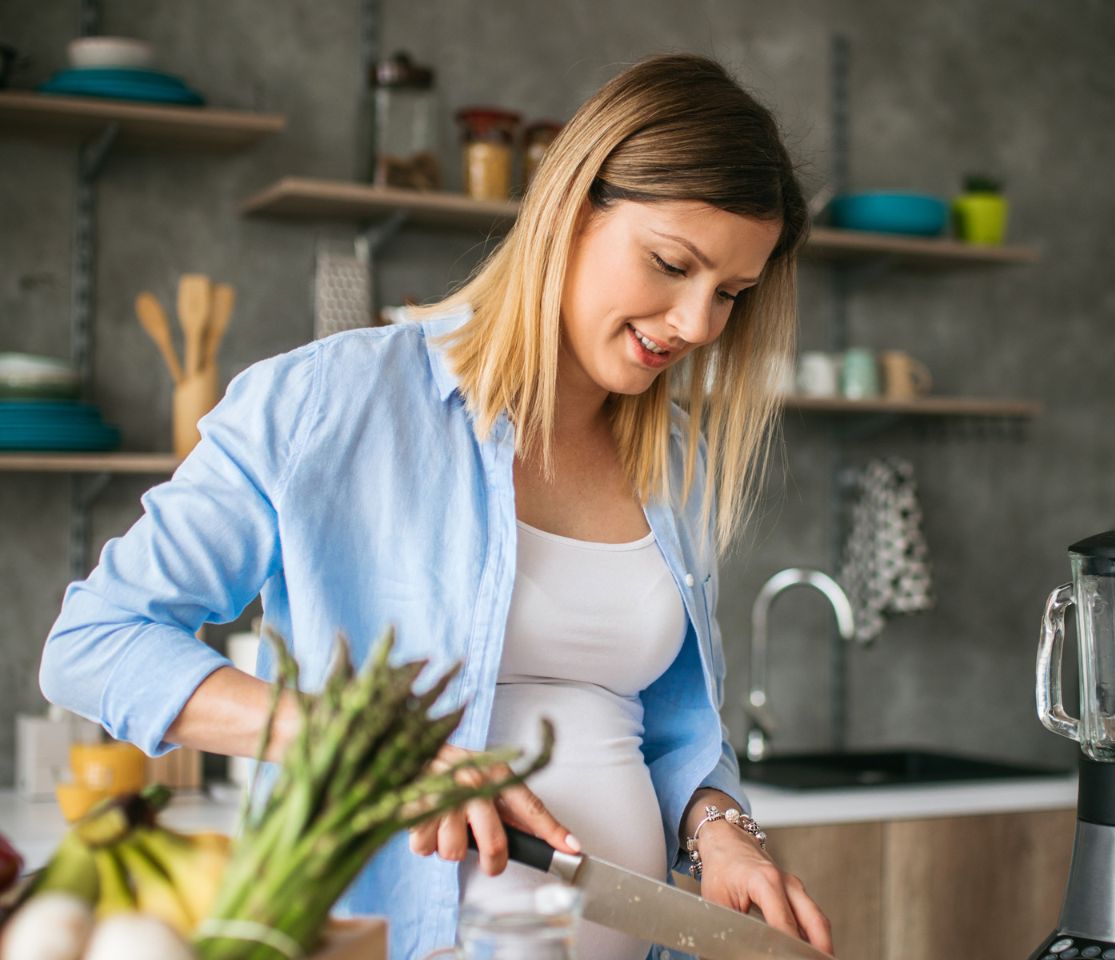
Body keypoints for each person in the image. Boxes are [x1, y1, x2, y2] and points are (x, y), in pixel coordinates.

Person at [39, 53, 832, 960]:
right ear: (569, 208)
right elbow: (95, 643)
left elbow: (677, 726)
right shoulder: (330, 403)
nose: (696, 324)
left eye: (729, 294)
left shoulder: (675, 462)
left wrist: (721, 825)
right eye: (670, 265)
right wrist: (373, 751)